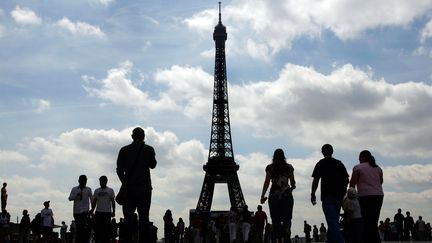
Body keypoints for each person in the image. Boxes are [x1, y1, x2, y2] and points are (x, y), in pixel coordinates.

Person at [116, 127, 157, 243]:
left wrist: (124, 182)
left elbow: (119, 170)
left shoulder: (124, 150)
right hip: (144, 188)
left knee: (128, 218)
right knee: (144, 218)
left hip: (129, 189)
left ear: (132, 137)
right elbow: (153, 165)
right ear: (143, 136)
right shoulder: (149, 149)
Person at [311, 144, 349, 243]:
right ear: (332, 151)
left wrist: (313, 193)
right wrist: (343, 191)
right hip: (339, 196)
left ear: (322, 152)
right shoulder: (339, 163)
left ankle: (341, 241)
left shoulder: (321, 163)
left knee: (332, 221)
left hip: (327, 196)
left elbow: (316, 180)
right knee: (334, 221)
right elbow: (346, 179)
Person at [260, 148, 296, 243]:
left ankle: (277, 238)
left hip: (274, 196)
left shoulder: (270, 168)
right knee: (287, 218)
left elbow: (267, 182)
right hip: (286, 195)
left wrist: (262, 196)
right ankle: (287, 233)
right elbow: (292, 182)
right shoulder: (289, 167)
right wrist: (291, 184)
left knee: (275, 219)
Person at [349, 150, 384, 243]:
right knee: (373, 221)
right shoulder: (378, 168)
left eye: (359, 158)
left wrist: (351, 195)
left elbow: (352, 183)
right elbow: (380, 181)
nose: (358, 159)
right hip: (378, 196)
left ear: (363, 157)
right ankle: (375, 240)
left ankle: (366, 239)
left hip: (365, 196)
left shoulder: (358, 168)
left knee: (365, 220)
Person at [91, 175, 116, 243]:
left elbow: (113, 201)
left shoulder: (110, 190)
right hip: (98, 212)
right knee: (98, 230)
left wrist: (113, 211)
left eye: (102, 181)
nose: (101, 183)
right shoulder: (97, 190)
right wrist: (92, 211)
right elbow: (94, 202)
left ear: (106, 181)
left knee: (106, 231)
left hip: (107, 212)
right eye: (100, 181)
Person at [69, 174, 93, 243]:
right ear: (79, 181)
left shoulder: (88, 189)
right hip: (77, 212)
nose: (84, 182)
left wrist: (92, 209)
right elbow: (70, 198)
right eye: (83, 180)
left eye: (85, 180)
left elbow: (92, 199)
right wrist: (76, 195)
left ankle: (84, 240)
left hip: (85, 211)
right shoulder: (74, 189)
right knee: (79, 229)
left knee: (84, 229)